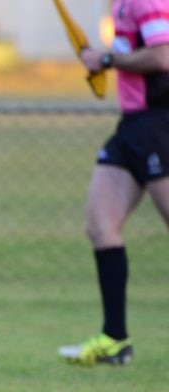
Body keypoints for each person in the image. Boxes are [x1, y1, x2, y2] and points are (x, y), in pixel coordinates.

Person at [58, 0, 169, 366]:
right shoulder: (120, 3)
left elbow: (163, 56)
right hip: (132, 128)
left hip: (159, 125)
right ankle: (115, 339)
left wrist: (107, 60)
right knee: (100, 225)